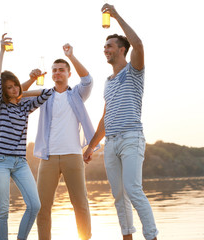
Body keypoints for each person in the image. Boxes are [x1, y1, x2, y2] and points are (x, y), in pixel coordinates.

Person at [83, 4, 159, 240]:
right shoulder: (108, 81)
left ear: (122, 50)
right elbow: (106, 117)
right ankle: (127, 237)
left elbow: (139, 45)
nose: (105, 49)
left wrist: (115, 16)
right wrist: (92, 145)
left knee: (134, 191)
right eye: (104, 46)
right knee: (119, 196)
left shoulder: (134, 70)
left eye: (110, 45)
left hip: (131, 138)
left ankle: (152, 236)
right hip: (111, 144)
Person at [25, 43, 97, 240]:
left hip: (73, 155)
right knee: (42, 206)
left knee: (80, 203)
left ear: (68, 74)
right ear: (51, 74)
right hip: (47, 157)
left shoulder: (77, 94)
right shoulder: (45, 95)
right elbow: (16, 96)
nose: (57, 73)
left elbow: (88, 80)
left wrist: (71, 56)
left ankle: (85, 237)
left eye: (61, 70)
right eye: (54, 70)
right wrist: (31, 79)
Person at [0, 33, 53, 240]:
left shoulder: (25, 106)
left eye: (15, 85)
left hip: (20, 162)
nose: (13, 88)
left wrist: (21, 93)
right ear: (3, 91)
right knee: (3, 209)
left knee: (35, 205)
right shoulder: (0, 106)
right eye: (9, 87)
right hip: (0, 161)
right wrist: (0, 50)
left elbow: (46, 93)